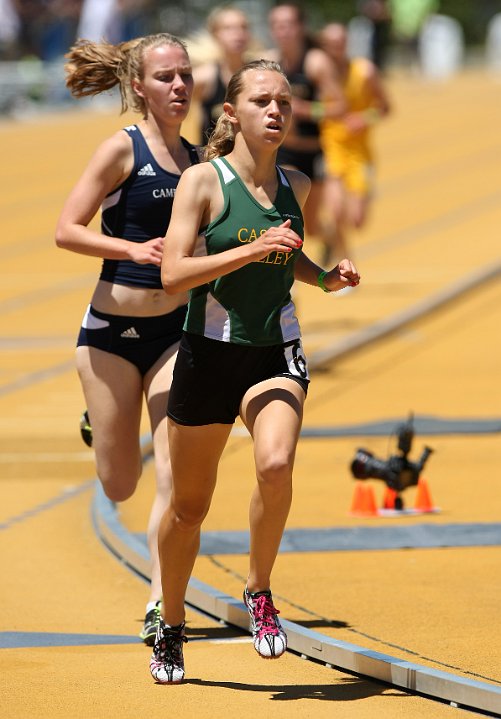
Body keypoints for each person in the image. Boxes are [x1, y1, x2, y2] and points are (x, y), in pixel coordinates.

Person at [149, 58, 360, 684]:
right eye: (263, 101)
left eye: (285, 103)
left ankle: (259, 591)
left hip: (275, 349)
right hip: (208, 351)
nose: (276, 112)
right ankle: (173, 620)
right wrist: (250, 248)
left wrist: (323, 278)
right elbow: (172, 275)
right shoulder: (202, 184)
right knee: (189, 509)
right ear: (231, 113)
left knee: (275, 464)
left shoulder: (296, 180)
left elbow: (287, 260)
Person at [55, 33, 201, 646]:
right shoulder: (122, 149)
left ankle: (158, 603)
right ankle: (98, 417)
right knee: (120, 483)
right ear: (138, 86)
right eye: (165, 77)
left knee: (174, 476)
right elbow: (67, 229)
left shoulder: (199, 160)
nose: (179, 87)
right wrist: (131, 248)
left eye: (185, 75)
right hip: (111, 336)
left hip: (174, 334)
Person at [266, 3, 346, 257]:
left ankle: (331, 239)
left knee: (313, 226)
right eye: (277, 25)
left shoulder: (315, 62)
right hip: (286, 152)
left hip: (315, 152)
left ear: (300, 27)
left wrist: (307, 110)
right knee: (284, 209)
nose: (283, 31)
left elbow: (340, 106)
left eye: (288, 25)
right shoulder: (271, 62)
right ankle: (284, 270)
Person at [319, 22, 391, 262]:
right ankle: (344, 259)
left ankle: (331, 237)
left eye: (340, 42)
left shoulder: (365, 71)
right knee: (335, 211)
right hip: (331, 149)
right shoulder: (319, 73)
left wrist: (364, 118)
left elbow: (385, 108)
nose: (336, 48)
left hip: (360, 153)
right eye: (330, 44)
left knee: (357, 220)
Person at [189, 5, 257, 144]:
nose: (238, 34)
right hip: (213, 161)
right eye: (229, 28)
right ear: (215, 34)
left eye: (243, 27)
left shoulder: (260, 75)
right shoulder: (204, 78)